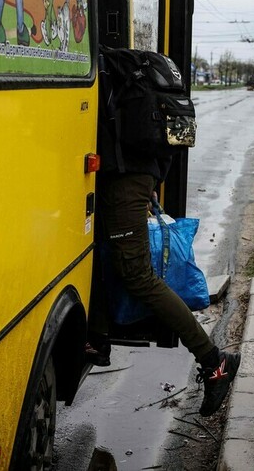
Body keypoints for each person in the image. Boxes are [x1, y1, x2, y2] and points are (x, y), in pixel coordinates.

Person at [86, 49, 240, 418]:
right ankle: (98, 339)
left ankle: (213, 361)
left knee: (138, 276)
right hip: (131, 178)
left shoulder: (104, 66)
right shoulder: (125, 70)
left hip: (124, 183)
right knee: (103, 256)